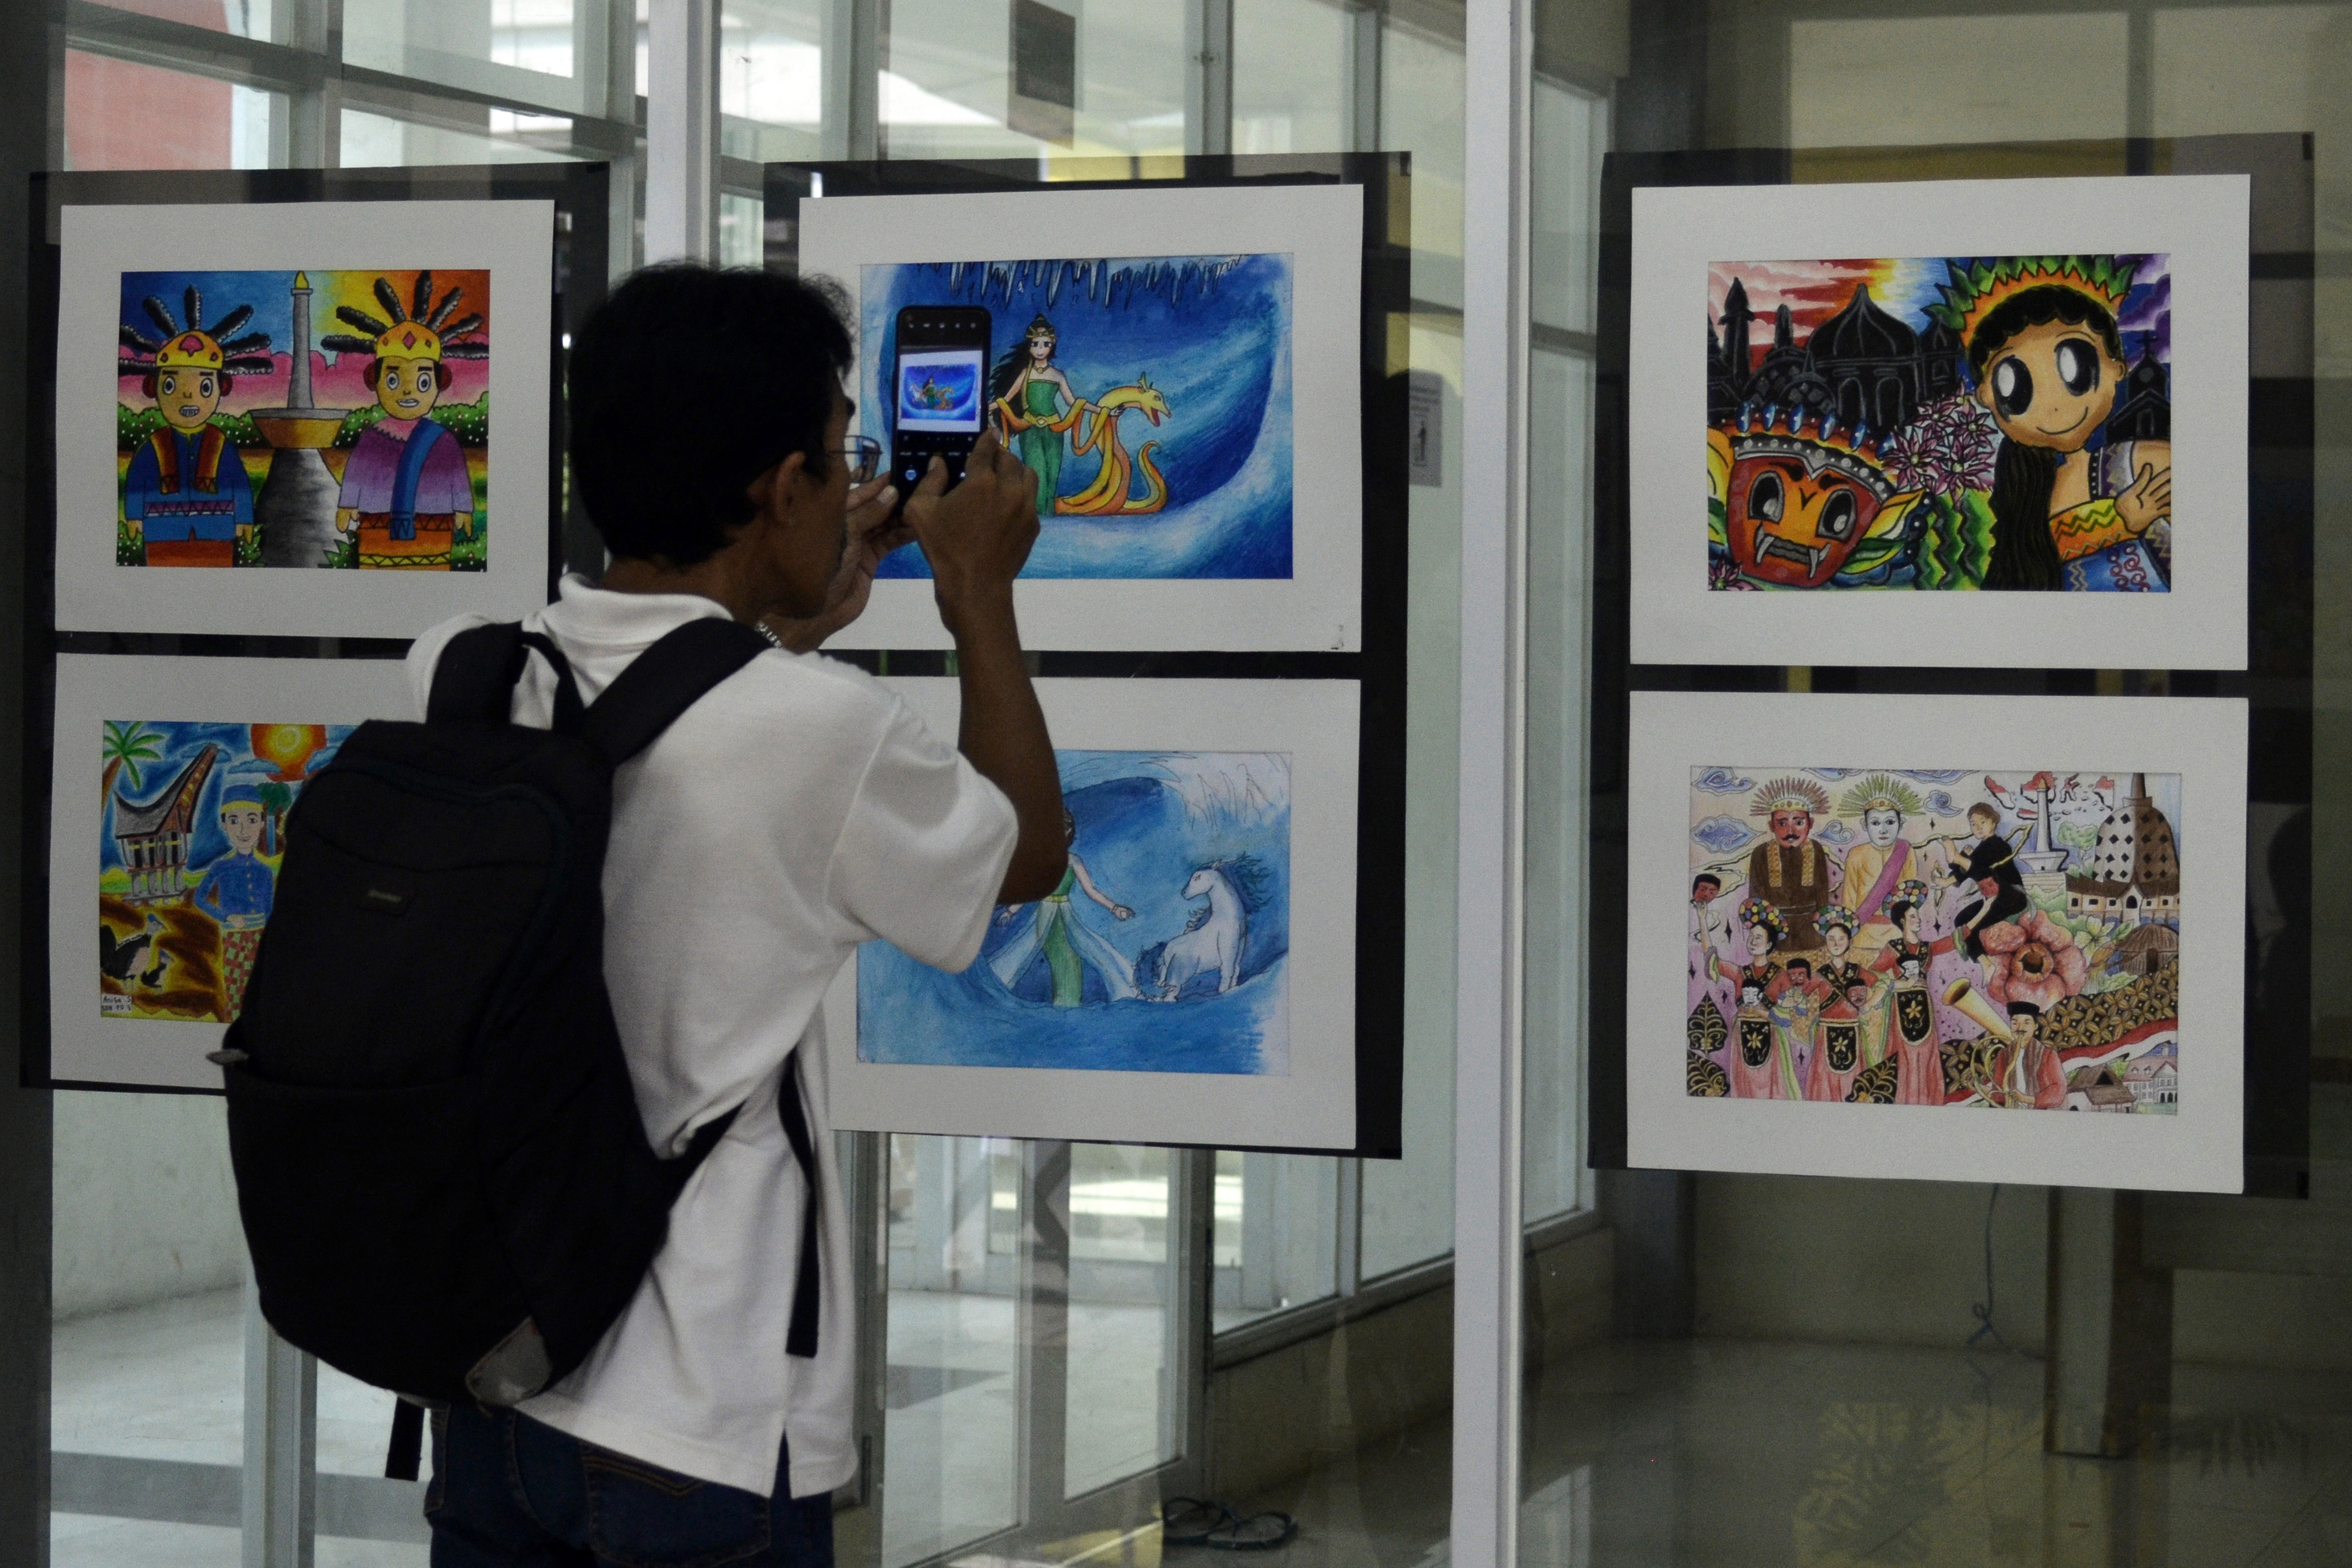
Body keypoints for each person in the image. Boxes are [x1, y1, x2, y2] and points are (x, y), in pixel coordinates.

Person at [409, 264, 1066, 1567]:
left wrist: (782, 616)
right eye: (835, 457)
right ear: (780, 488)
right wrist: (976, 594)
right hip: (702, 1420)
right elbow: (1027, 853)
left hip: (490, 1378)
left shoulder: (462, 662)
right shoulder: (815, 732)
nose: (852, 477)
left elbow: (666, 754)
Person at [1926, 256, 2170, 591]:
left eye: (2076, 368)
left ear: (2117, 366)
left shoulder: (2144, 463)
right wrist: (2119, 520)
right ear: (1986, 395)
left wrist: (2134, 523)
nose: (2053, 405)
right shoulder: (2028, 494)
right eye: (2017, 386)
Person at [321, 272, 485, 569]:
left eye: (422, 381)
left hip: (434, 529)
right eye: (395, 379)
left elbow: (457, 474)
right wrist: (347, 504)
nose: (408, 390)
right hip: (376, 528)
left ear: (439, 382)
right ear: (375, 380)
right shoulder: (372, 438)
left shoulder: (442, 440)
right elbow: (356, 472)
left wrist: (463, 507)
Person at [118, 285, 273, 567]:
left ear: (221, 388)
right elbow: (138, 479)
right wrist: (133, 514)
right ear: (153, 388)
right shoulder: (154, 445)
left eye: (203, 386)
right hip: (162, 532)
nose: (188, 396)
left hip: (217, 532)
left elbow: (238, 482)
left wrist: (245, 518)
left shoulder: (220, 443)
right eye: (171, 384)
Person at [988, 806, 1139, 1006]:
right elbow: (1031, 891)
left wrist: (1114, 908)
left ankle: (1069, 1005)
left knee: (1077, 956)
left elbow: (1091, 890)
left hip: (1067, 916)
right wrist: (1010, 911)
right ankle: (1062, 1005)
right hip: (1046, 914)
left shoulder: (1074, 861)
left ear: (1068, 832)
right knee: (1059, 956)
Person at [191, 779, 275, 1019]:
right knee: (238, 987)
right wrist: (226, 916)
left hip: (260, 936)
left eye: (251, 820)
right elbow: (200, 899)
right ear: (224, 826)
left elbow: (270, 910)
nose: (243, 830)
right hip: (234, 937)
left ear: (261, 823)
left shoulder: (266, 871)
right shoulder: (221, 867)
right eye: (234, 821)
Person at [1744, 778, 1836, 953]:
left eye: (1799, 822)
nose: (1791, 831)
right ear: (1771, 826)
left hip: (1812, 935)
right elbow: (1756, 899)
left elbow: (1822, 895)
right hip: (1776, 936)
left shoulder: (1816, 850)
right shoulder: (1760, 854)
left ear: (1810, 824)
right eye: (1782, 823)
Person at [1937, 801, 2027, 958]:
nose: (1978, 828)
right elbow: (1966, 871)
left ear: (1993, 823)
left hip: (2012, 896)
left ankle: (1957, 860)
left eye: (1983, 822)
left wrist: (1963, 858)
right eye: (1973, 824)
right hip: (1994, 898)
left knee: (1982, 871)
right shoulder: (1982, 849)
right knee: (1962, 921)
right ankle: (1984, 963)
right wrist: (1962, 861)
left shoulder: (2000, 846)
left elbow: (1979, 869)